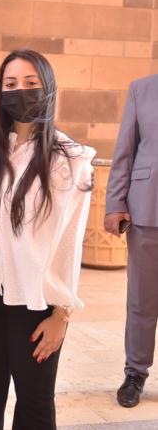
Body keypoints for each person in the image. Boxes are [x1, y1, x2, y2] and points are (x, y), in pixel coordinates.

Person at [0, 49, 95, 430]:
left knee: (35, 404)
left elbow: (69, 242)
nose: (19, 91)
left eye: (30, 83)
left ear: (48, 89)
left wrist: (62, 314)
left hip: (37, 304)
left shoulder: (70, 158)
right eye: (10, 84)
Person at [104, 73, 158, 408]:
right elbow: (124, 149)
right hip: (146, 208)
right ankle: (135, 372)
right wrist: (115, 203)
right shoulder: (141, 88)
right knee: (141, 300)